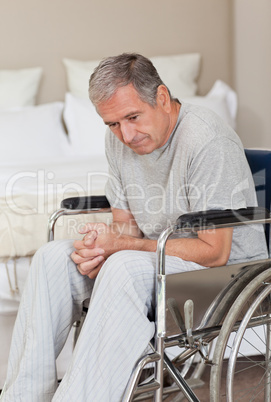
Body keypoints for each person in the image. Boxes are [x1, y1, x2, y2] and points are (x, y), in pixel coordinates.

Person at [1, 53, 267, 401]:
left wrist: (123, 249)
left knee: (124, 266)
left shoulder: (206, 140)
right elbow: (128, 230)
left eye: (132, 117)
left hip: (226, 271)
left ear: (161, 97)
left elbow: (214, 252)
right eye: (112, 124)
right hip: (160, 258)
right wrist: (102, 247)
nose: (125, 134)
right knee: (53, 257)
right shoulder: (120, 141)